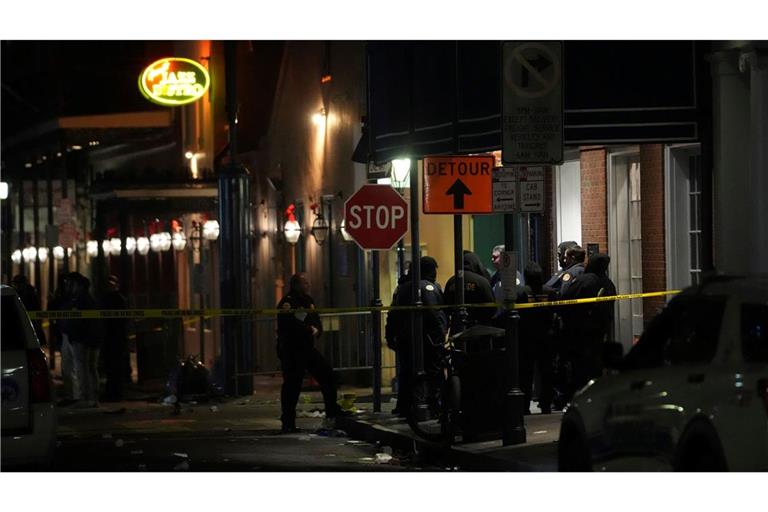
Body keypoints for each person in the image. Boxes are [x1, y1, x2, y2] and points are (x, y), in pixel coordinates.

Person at [276, 273, 345, 433]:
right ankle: (288, 422)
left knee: (327, 375)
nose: (308, 285)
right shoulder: (288, 302)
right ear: (296, 285)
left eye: (308, 282)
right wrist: (308, 330)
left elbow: (316, 320)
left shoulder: (308, 301)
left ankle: (332, 412)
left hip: (307, 348)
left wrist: (317, 330)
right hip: (292, 349)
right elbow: (289, 325)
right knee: (292, 385)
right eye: (305, 283)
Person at [384, 257, 448, 417]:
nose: (435, 273)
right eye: (433, 269)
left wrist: (390, 335)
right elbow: (435, 315)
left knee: (406, 374)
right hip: (427, 340)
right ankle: (434, 406)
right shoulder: (428, 287)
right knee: (434, 373)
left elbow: (393, 315)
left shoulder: (402, 288)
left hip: (405, 339)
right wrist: (441, 336)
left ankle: (405, 406)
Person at [561, 253, 617, 395]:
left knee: (578, 366)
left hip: (579, 332)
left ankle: (577, 394)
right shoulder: (609, 284)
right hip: (600, 331)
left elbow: (566, 299)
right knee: (596, 364)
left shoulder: (583, 281)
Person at [517, 262, 556, 414]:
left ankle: (524, 406)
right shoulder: (549, 292)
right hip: (546, 337)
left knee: (525, 374)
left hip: (526, 338)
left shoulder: (521, 293)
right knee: (546, 372)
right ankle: (546, 404)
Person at [61, 273, 102, 408]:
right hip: (89, 338)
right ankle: (92, 397)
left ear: (77, 285)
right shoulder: (86, 299)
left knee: (83, 368)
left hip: (82, 339)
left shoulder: (81, 300)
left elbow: (79, 322)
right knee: (90, 368)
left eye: (70, 284)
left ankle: (85, 397)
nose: (68, 286)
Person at [444, 251, 495, 329]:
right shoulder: (481, 281)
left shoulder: (451, 281)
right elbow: (492, 305)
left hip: (457, 326)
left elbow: (446, 305)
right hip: (479, 327)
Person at [100, 275, 129, 402]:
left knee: (114, 367)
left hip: (114, 338)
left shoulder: (115, 299)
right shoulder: (116, 299)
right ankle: (114, 392)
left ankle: (114, 392)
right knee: (113, 367)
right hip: (113, 337)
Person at [11, 274, 47, 346]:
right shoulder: (16, 293)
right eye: (15, 283)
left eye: (17, 283)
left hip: (29, 326)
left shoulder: (29, 294)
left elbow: (35, 309)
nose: (16, 285)